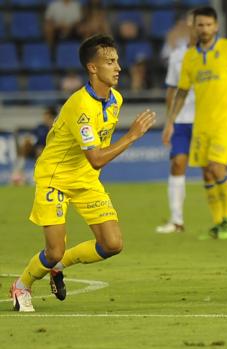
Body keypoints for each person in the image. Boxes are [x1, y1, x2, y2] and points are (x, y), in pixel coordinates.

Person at [9, 34, 156, 312]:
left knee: (112, 244)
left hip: (85, 177)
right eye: (110, 62)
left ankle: (60, 266)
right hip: (55, 177)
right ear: (92, 68)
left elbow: (94, 158)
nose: (118, 67)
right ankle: (22, 285)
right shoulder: (80, 106)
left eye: (117, 61)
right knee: (52, 251)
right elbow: (97, 158)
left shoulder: (115, 100)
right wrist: (132, 136)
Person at [164, 6, 227, 240]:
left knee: (216, 167)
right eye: (200, 25)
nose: (204, 29)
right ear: (194, 27)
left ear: (216, 26)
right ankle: (218, 223)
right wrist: (170, 122)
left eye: (208, 25)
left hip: (226, 121)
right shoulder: (190, 58)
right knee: (207, 173)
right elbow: (182, 93)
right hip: (201, 123)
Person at [10, 106, 57, 186]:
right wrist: (29, 140)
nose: (44, 118)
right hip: (37, 151)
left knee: (41, 151)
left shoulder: (56, 127)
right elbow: (32, 137)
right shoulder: (40, 127)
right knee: (26, 144)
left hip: (51, 152)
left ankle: (39, 176)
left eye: (47, 116)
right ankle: (19, 173)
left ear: (52, 117)